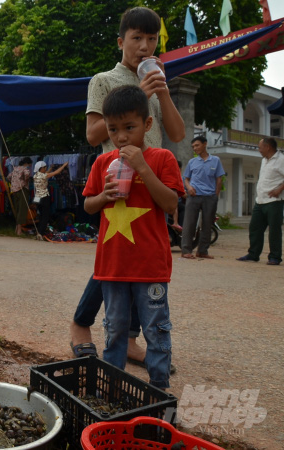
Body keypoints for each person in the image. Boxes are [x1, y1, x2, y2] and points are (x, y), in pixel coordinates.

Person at [70, 6, 185, 365]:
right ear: (122, 41)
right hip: (116, 180)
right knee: (114, 257)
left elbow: (177, 135)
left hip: (151, 178)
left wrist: (160, 91)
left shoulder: (157, 80)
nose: (145, 46)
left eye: (152, 39)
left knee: (143, 259)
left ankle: (130, 339)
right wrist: (136, 90)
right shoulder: (103, 80)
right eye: (137, 38)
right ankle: (80, 323)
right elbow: (92, 135)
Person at [83, 85, 183, 389]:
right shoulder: (103, 163)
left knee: (155, 328)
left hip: (150, 267)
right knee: (114, 328)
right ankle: (111, 388)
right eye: (113, 129)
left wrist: (141, 166)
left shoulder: (162, 159)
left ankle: (158, 388)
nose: (121, 136)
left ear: (147, 125)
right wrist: (104, 196)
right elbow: (88, 206)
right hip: (112, 267)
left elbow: (170, 203)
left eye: (129, 127)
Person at [237, 138, 284, 265]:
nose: (259, 150)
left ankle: (275, 257)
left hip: (274, 201)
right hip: (260, 200)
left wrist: (279, 189)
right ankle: (253, 254)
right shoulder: (264, 160)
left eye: (260, 147)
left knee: (274, 230)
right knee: (255, 228)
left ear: (267, 147)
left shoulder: (281, 160)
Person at [180, 136, 225, 259]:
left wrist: (215, 195)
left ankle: (202, 251)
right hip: (193, 196)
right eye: (193, 146)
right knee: (189, 223)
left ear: (205, 144)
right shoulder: (192, 162)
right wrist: (189, 188)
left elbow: (219, 179)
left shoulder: (215, 160)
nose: (195, 148)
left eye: (197, 145)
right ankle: (186, 251)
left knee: (207, 225)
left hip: (210, 197)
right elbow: (186, 179)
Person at [33, 161, 69, 240]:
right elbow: (55, 173)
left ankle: (38, 232)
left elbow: (46, 174)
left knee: (41, 216)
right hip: (44, 197)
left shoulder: (35, 176)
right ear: (41, 168)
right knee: (45, 217)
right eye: (45, 168)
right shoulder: (44, 176)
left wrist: (50, 168)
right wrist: (63, 166)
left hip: (37, 198)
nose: (45, 169)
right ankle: (41, 234)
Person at [9, 157, 32, 235]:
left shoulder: (15, 168)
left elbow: (9, 176)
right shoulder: (25, 168)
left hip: (14, 190)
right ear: (28, 163)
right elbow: (27, 175)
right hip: (22, 189)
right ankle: (19, 229)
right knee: (22, 209)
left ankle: (17, 228)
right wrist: (25, 181)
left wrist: (14, 182)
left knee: (17, 209)